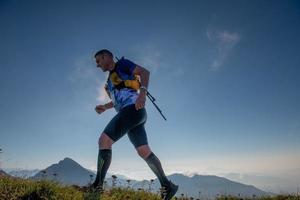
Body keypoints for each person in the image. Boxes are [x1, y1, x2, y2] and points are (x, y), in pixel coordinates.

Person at [91, 49, 178, 200]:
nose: (97, 65)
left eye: (98, 61)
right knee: (143, 151)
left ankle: (97, 187)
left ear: (107, 57)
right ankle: (168, 186)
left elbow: (145, 72)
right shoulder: (109, 83)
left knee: (104, 141)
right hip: (135, 114)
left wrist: (142, 94)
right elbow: (118, 100)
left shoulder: (122, 64)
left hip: (133, 109)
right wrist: (104, 107)